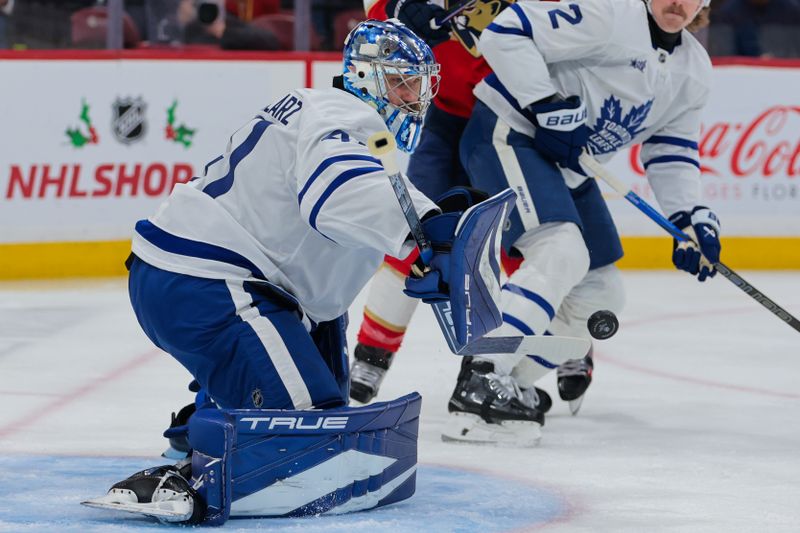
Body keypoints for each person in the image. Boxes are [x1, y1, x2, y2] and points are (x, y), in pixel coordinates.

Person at [81, 19, 508, 523]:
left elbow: (379, 191)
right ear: (366, 78)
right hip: (210, 281)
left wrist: (432, 226)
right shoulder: (344, 116)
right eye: (401, 81)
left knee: (325, 410)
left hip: (213, 281)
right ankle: (182, 475)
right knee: (310, 439)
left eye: (417, 84)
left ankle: (194, 438)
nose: (413, 96)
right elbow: (336, 194)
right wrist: (426, 235)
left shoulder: (336, 119)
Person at [445, 0, 722, 444]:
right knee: (561, 249)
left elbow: (672, 148)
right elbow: (505, 31)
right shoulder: (610, 15)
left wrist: (688, 217)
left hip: (571, 166)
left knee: (602, 293)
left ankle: (512, 378)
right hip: (511, 133)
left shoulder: (694, 69)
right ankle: (482, 371)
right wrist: (546, 102)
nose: (678, 2)